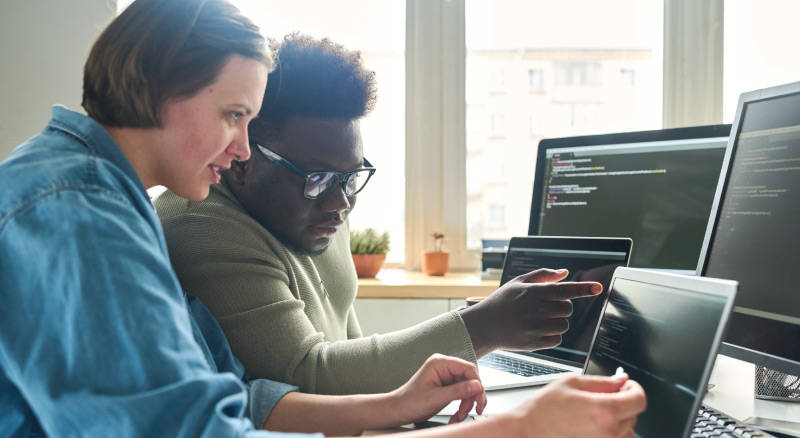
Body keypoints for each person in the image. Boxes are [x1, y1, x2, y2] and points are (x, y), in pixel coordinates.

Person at [0, 1, 488, 436]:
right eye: (234, 115)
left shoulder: (114, 197)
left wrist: (392, 405)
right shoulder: (76, 213)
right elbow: (189, 428)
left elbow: (236, 395)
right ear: (160, 87)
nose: (243, 149)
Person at [154, 32, 605, 396]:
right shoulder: (200, 225)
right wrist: (483, 326)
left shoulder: (322, 205)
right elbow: (307, 376)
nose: (340, 203)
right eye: (317, 178)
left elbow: (348, 351)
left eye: (351, 178)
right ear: (246, 157)